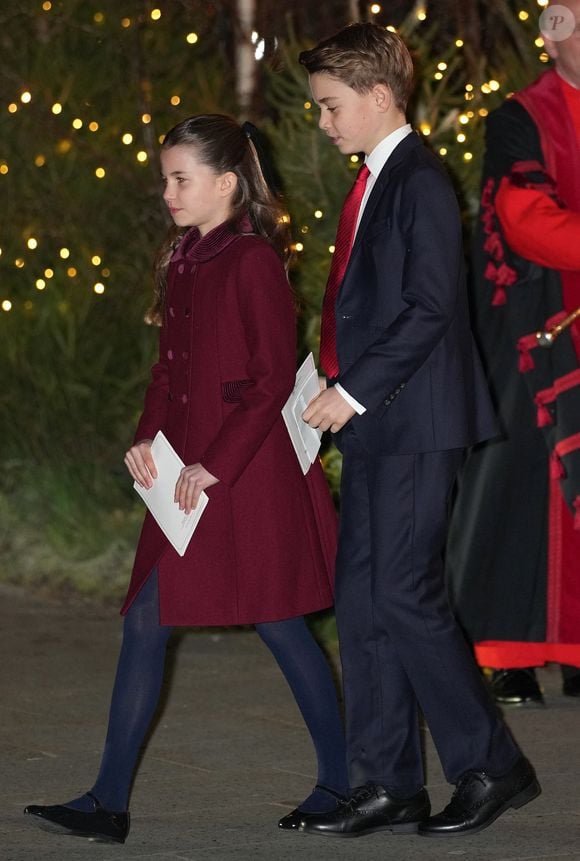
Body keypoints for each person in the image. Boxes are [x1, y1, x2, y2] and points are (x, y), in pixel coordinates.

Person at [23, 114, 349, 844]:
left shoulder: (253, 260)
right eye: (165, 177)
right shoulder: (182, 258)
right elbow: (169, 372)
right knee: (145, 617)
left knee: (280, 621)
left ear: (227, 183)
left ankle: (342, 777)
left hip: (248, 473)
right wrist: (147, 439)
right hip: (186, 475)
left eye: (181, 178)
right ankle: (108, 801)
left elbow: (270, 384)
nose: (167, 191)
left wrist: (216, 463)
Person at [296, 23, 540, 839]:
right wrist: (330, 379)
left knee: (404, 593)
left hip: (412, 419)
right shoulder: (377, 178)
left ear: (377, 96)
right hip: (380, 419)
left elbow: (432, 306)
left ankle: (491, 764)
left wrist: (352, 389)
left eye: (331, 107)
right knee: (363, 600)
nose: (323, 123)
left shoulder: (420, 181)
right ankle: (388, 780)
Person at [446, 1, 580, 707]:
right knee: (518, 484)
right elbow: (525, 219)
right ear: (552, 35)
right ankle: (510, 655)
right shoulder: (520, 116)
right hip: (536, 328)